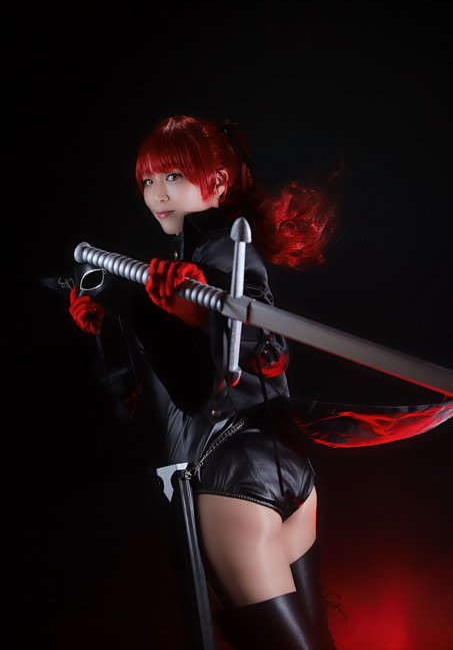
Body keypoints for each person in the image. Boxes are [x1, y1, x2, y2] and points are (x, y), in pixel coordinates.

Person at [66, 115, 453, 649]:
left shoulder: (221, 254)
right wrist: (111, 330)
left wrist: (199, 313)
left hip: (231, 475)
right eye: (148, 181)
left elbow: (253, 340)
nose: (158, 194)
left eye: (174, 176)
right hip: (283, 465)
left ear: (219, 182)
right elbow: (152, 395)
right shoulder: (186, 269)